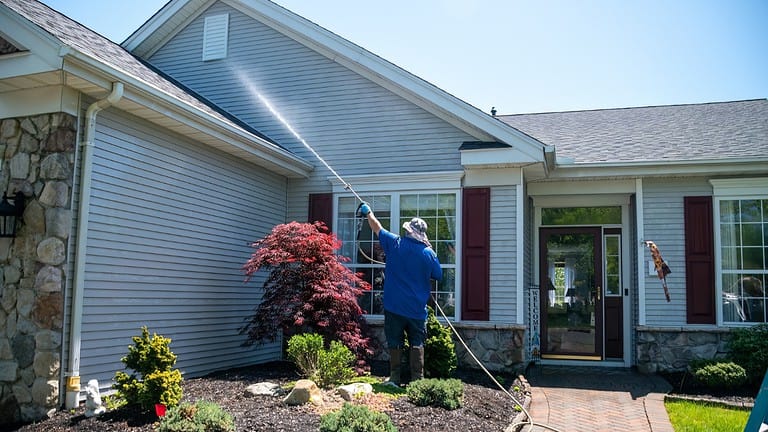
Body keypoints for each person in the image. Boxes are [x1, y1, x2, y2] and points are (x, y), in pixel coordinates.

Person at [359, 202, 442, 386]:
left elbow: (377, 227)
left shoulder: (394, 243)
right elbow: (438, 275)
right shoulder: (429, 253)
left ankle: (395, 378)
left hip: (394, 306)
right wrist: (429, 250)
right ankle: (417, 381)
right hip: (417, 310)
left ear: (408, 230)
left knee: (395, 341)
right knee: (416, 342)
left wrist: (368, 212)